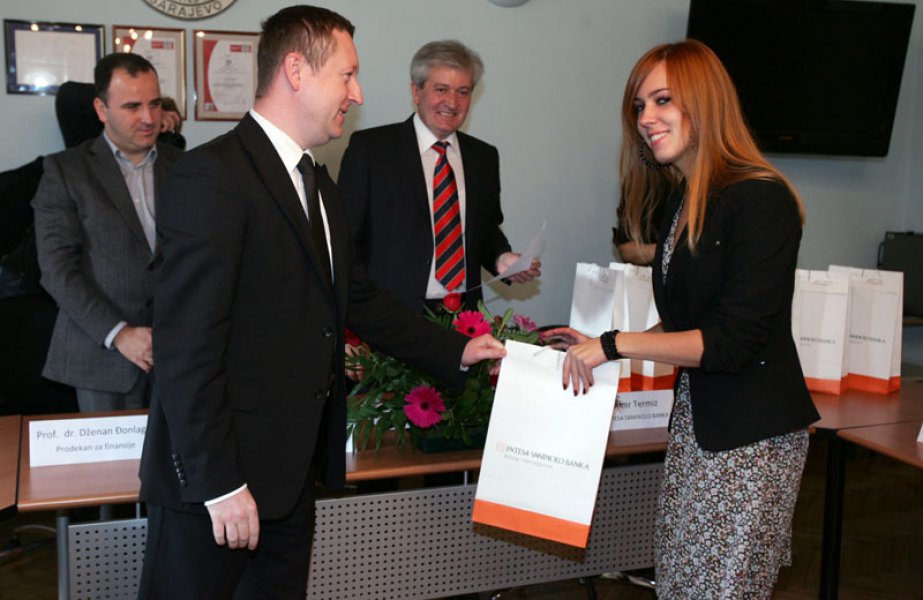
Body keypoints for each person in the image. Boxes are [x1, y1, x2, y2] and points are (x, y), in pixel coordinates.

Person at [137, 6, 505, 598]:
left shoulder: (317, 182)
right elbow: (185, 348)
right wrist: (220, 483)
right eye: (347, 75)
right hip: (215, 489)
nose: (357, 94)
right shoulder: (213, 176)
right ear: (296, 71)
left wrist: (455, 349)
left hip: (289, 478)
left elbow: (357, 296)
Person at [545, 40, 819, 598]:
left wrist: (615, 344)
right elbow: (686, 323)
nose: (646, 118)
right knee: (681, 585)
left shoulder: (759, 199)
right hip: (701, 427)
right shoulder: (686, 198)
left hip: (750, 441)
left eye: (662, 100)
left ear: (706, 100)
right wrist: (600, 344)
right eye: (639, 106)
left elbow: (731, 342)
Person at [338, 39, 540, 314]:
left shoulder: (483, 157)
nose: (452, 103)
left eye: (463, 92)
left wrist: (502, 258)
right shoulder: (371, 150)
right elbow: (345, 240)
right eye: (441, 89)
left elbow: (485, 229)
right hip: (390, 316)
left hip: (463, 316)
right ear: (416, 91)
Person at [31, 53, 183, 412]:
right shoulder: (66, 171)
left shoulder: (184, 167)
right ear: (101, 109)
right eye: (132, 106)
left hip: (178, 355)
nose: (148, 118)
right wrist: (119, 334)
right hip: (101, 357)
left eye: (155, 104)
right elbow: (56, 270)